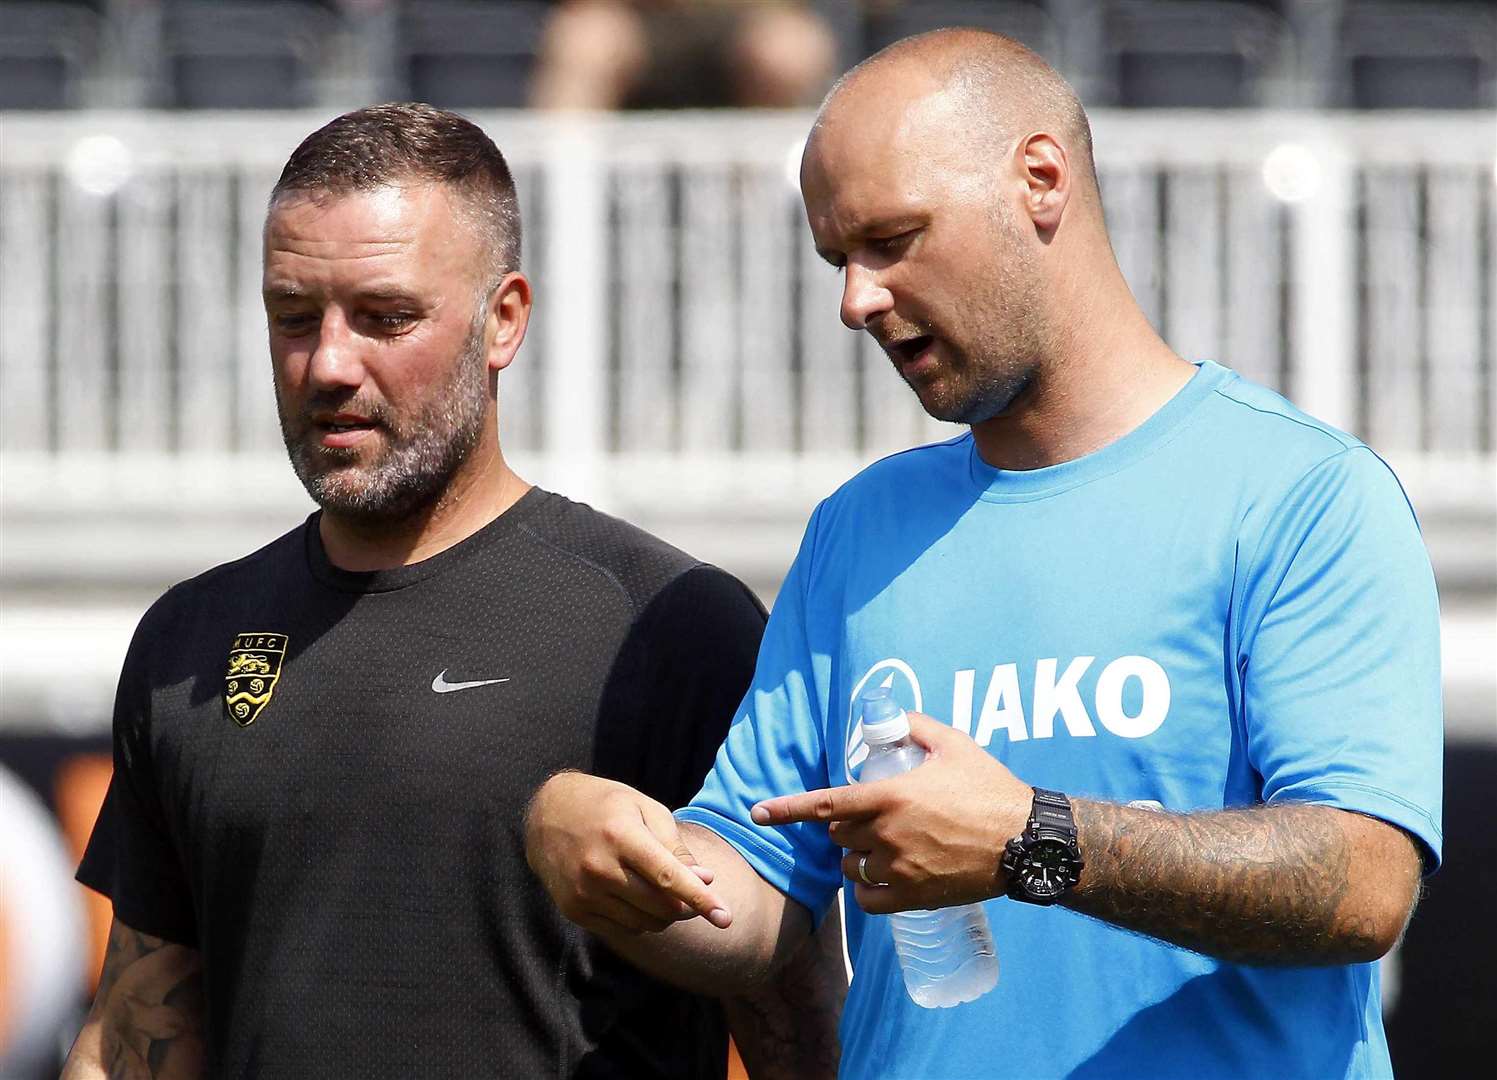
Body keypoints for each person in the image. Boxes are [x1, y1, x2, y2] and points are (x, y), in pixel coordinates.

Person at [523, 28, 1443, 1080]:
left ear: (1039, 180)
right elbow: (757, 898)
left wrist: (1032, 838)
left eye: (892, 239)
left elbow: (1364, 884)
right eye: (839, 258)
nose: (855, 300)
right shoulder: (856, 531)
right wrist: (605, 849)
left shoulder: (1301, 494)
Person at [61, 103, 845, 1079]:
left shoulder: (668, 627)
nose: (329, 365)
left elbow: (801, 1033)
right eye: (294, 316)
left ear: (503, 319)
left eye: (386, 318)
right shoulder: (191, 639)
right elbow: (136, 1035)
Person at [531, 0, 838, 110]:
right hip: (637, 19)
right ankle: (566, 221)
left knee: (789, 48)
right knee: (585, 40)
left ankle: (760, 215)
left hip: (739, 19)